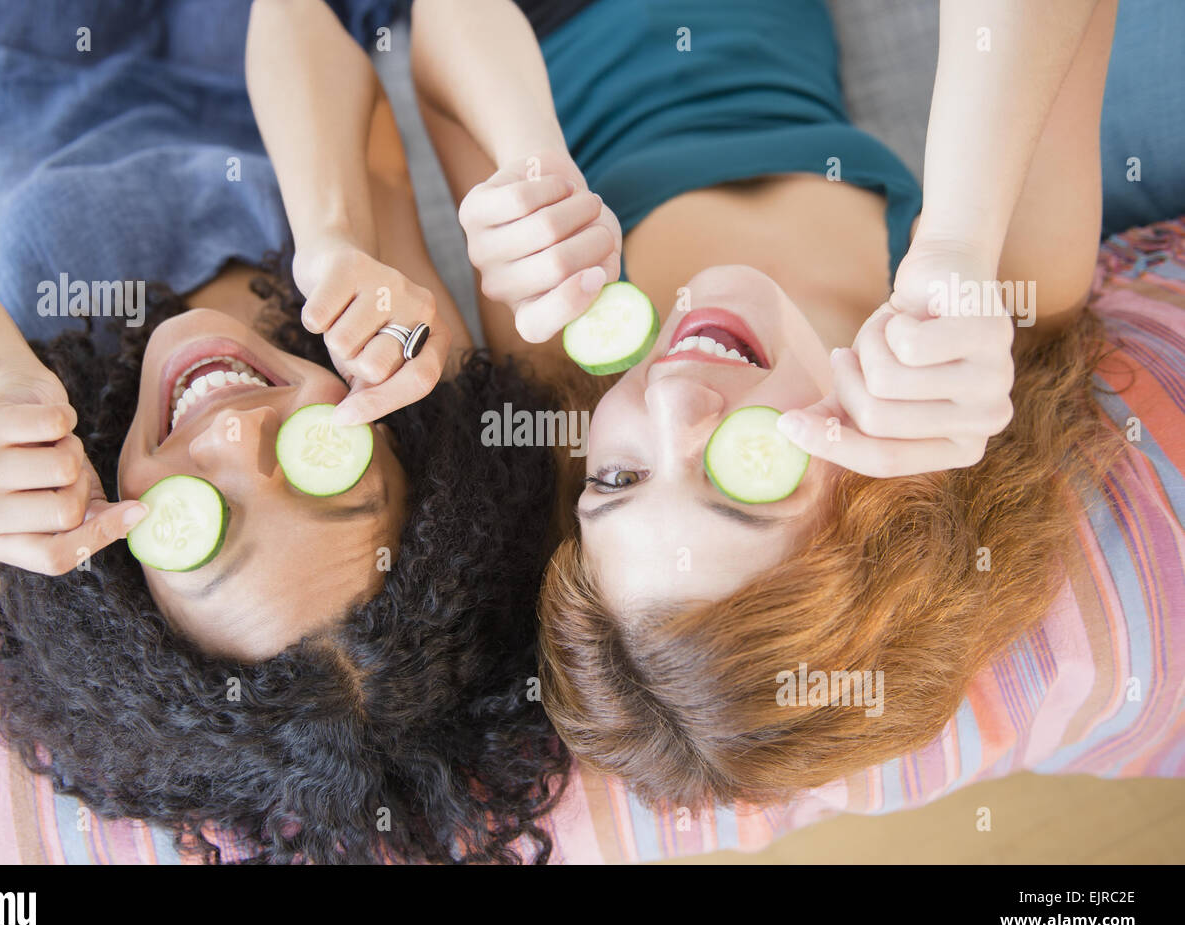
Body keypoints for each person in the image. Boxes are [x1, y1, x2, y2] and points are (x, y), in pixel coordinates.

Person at [0, 0, 567, 863]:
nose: (236, 436)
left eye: (199, 523)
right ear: (397, 450)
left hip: (43, 57)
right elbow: (300, 19)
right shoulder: (407, 372)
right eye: (320, 467)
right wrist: (331, 234)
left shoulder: (30, 543)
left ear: (135, 596)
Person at [411, 0, 1140, 805]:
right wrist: (959, 243)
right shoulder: (997, 315)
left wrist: (529, 170)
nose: (671, 399)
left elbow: (445, 23)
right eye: (740, 478)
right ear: (889, 505)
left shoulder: (563, 351)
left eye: (618, 479)